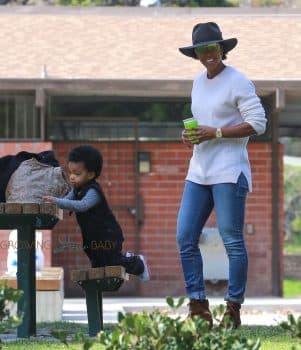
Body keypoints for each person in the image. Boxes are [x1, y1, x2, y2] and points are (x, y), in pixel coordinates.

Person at [177, 22, 266, 328]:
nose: (207, 55)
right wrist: (190, 136)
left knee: (232, 241)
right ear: (196, 55)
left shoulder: (238, 81)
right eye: (201, 51)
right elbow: (202, 124)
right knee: (185, 237)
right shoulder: (198, 83)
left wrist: (215, 132)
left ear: (222, 49)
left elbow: (258, 123)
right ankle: (198, 305)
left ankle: (233, 308)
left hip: (229, 171)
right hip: (199, 171)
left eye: (212, 49)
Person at [43, 145, 150, 282]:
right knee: (97, 262)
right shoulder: (76, 189)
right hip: (91, 236)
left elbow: (82, 206)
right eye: (71, 172)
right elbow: (66, 201)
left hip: (108, 235)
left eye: (77, 173)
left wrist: (57, 201)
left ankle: (137, 263)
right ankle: (97, 290)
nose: (72, 177)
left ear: (91, 174)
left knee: (111, 260)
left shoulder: (93, 191)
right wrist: (52, 203)